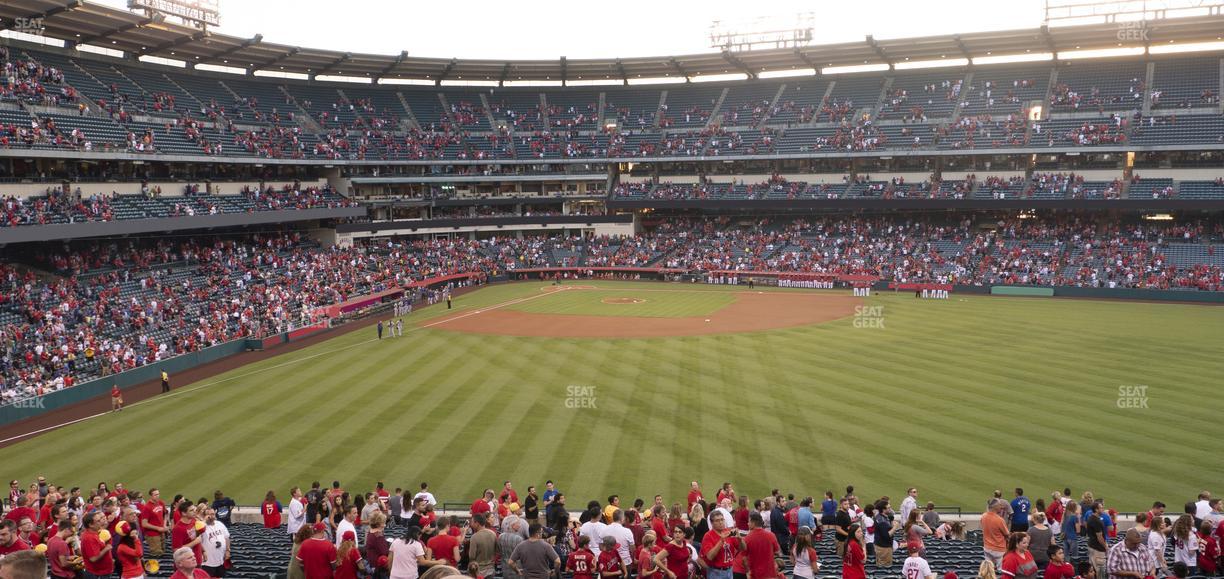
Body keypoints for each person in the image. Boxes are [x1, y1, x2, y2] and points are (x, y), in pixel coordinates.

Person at [700, 511, 739, 579]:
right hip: (716, 572)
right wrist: (721, 541)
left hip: (729, 570)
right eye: (717, 521)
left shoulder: (728, 532)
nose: (721, 522)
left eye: (722, 519)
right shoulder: (708, 536)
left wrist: (740, 539)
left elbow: (742, 548)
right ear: (712, 523)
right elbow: (710, 557)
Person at [744, 513, 781, 579]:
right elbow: (778, 552)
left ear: (753, 523)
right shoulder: (771, 535)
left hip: (755, 575)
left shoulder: (747, 538)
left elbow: (744, 559)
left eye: (749, 521)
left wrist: (747, 571)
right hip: (770, 574)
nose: (748, 523)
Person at [80, 512, 114, 579]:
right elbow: (93, 558)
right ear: (91, 525)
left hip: (102, 573)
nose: (101, 522)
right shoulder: (89, 538)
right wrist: (106, 549)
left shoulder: (95, 533)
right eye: (98, 521)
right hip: (97, 574)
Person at [201, 508, 229, 578]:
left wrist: (228, 550)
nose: (211, 516)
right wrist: (204, 521)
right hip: (207, 563)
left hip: (220, 561)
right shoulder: (202, 527)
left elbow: (227, 537)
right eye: (208, 514)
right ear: (204, 516)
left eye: (212, 514)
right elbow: (196, 535)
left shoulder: (220, 524)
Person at [466, 514, 496, 579]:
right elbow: (496, 550)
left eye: (472, 522)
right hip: (491, 569)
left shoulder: (474, 537)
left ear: (477, 523)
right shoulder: (493, 534)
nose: (471, 524)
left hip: (479, 571)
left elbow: (472, 556)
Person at [982, 500, 1011, 567]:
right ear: (995, 507)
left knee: (989, 570)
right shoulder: (999, 520)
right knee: (1001, 571)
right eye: (999, 505)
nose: (1001, 507)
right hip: (998, 550)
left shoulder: (983, 516)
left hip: (987, 548)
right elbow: (1007, 534)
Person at [363, 512, 390, 579]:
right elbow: (384, 551)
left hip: (373, 564)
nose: (385, 525)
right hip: (379, 567)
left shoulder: (371, 532)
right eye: (383, 523)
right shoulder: (377, 536)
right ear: (378, 524)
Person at [1086, 503, 1109, 579]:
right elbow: (1100, 537)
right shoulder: (1096, 521)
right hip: (1098, 549)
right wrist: (1105, 546)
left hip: (1092, 546)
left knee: (1094, 570)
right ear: (1096, 509)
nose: (1103, 509)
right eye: (1101, 508)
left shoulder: (1091, 518)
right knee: (1100, 572)